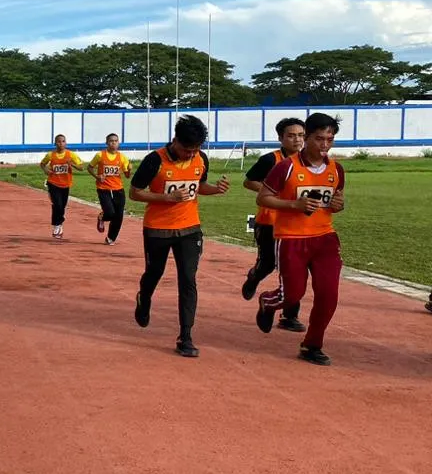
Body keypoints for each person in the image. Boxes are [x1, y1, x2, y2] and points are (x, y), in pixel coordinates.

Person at [129, 115, 230, 358]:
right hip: (157, 229)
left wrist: (216, 189)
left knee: (188, 279)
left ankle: (186, 336)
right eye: (186, 149)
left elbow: (199, 185)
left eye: (195, 150)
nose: (190, 154)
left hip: (190, 228)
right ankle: (144, 298)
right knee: (154, 273)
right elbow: (134, 192)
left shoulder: (200, 158)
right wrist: (166, 198)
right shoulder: (155, 160)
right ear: (175, 140)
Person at [255, 113, 347, 366]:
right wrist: (294, 204)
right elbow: (263, 198)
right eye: (319, 139)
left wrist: (339, 205)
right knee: (292, 295)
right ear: (306, 138)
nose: (325, 145)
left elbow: (335, 202)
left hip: (325, 238)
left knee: (328, 295)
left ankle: (312, 344)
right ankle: (268, 301)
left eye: (330, 139)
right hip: (291, 238)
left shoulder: (336, 169)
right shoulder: (286, 167)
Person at [241, 118, 306, 331]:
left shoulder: (309, 161)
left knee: (293, 269)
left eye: (300, 135)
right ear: (281, 138)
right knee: (268, 263)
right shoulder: (271, 160)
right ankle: (254, 276)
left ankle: (289, 316)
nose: (297, 140)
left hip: (297, 224)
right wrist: (273, 192)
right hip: (269, 222)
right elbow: (249, 181)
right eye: (291, 135)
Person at [87, 134, 131, 245]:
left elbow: (127, 175)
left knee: (119, 215)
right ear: (107, 142)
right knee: (110, 213)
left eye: (116, 141)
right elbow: (89, 167)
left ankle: (111, 238)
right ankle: (102, 216)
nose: (114, 143)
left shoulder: (122, 157)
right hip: (103, 188)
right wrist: (97, 177)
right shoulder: (100, 155)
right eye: (111, 141)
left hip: (118, 189)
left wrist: (129, 170)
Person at [40, 135, 83, 239]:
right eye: (58, 142)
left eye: (63, 141)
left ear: (66, 143)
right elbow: (42, 164)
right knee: (57, 204)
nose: (61, 143)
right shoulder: (51, 155)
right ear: (55, 143)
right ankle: (57, 225)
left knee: (61, 206)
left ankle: (59, 221)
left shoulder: (70, 154)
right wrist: (46, 170)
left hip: (65, 184)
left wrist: (71, 164)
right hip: (53, 183)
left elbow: (81, 167)